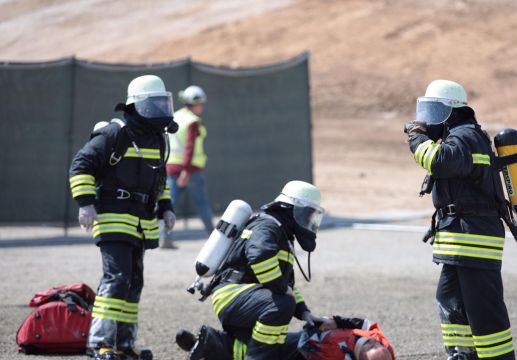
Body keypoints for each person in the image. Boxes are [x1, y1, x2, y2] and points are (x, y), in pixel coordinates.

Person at [404, 80, 516, 360]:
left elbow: (440, 161)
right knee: (450, 301)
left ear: (451, 111)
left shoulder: (466, 137)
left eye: (433, 112)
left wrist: (417, 137)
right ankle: (464, 354)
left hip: (474, 240)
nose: (426, 120)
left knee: (484, 313)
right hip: (459, 241)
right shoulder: (459, 135)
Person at [68, 74, 177, 360]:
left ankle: (124, 344)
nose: (160, 111)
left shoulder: (158, 138)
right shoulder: (115, 134)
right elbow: (81, 166)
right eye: (153, 105)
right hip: (114, 219)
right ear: (136, 105)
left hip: (141, 223)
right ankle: (100, 343)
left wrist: (166, 207)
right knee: (116, 278)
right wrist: (85, 203)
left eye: (162, 104)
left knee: (133, 282)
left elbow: (159, 179)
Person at [184, 180, 327, 359]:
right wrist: (282, 290)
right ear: (292, 210)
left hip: (249, 298)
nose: (309, 222)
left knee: (279, 343)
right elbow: (259, 256)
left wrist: (305, 313)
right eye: (308, 215)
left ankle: (213, 345)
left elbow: (288, 286)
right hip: (233, 295)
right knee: (282, 305)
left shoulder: (283, 235)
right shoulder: (267, 226)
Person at [175, 316, 394, 360]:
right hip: (309, 340)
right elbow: (359, 322)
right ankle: (208, 344)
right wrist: (332, 321)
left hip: (307, 353)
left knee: (266, 349)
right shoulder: (375, 339)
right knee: (265, 342)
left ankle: (207, 346)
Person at [164, 85, 214, 248]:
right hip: (190, 170)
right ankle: (215, 238)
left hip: (171, 167)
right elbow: (190, 146)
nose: (203, 106)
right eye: (201, 103)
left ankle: (166, 238)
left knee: (168, 204)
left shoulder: (175, 116)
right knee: (202, 205)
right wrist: (186, 170)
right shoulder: (192, 121)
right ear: (195, 103)